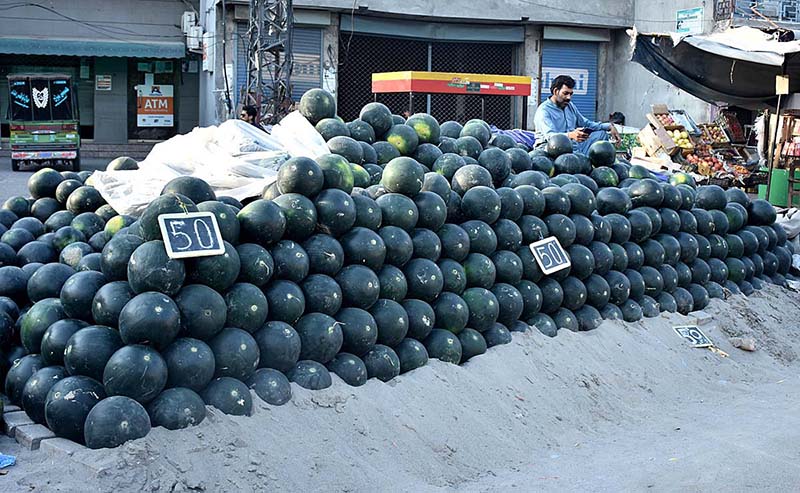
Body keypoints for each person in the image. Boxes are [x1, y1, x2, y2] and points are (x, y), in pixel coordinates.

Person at [534, 75, 619, 153]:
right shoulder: (544, 111)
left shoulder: (569, 106)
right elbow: (550, 136)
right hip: (551, 149)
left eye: (571, 94)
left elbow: (585, 123)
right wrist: (570, 135)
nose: (569, 97)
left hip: (572, 146)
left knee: (601, 134)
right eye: (565, 93)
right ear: (556, 91)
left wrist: (608, 126)